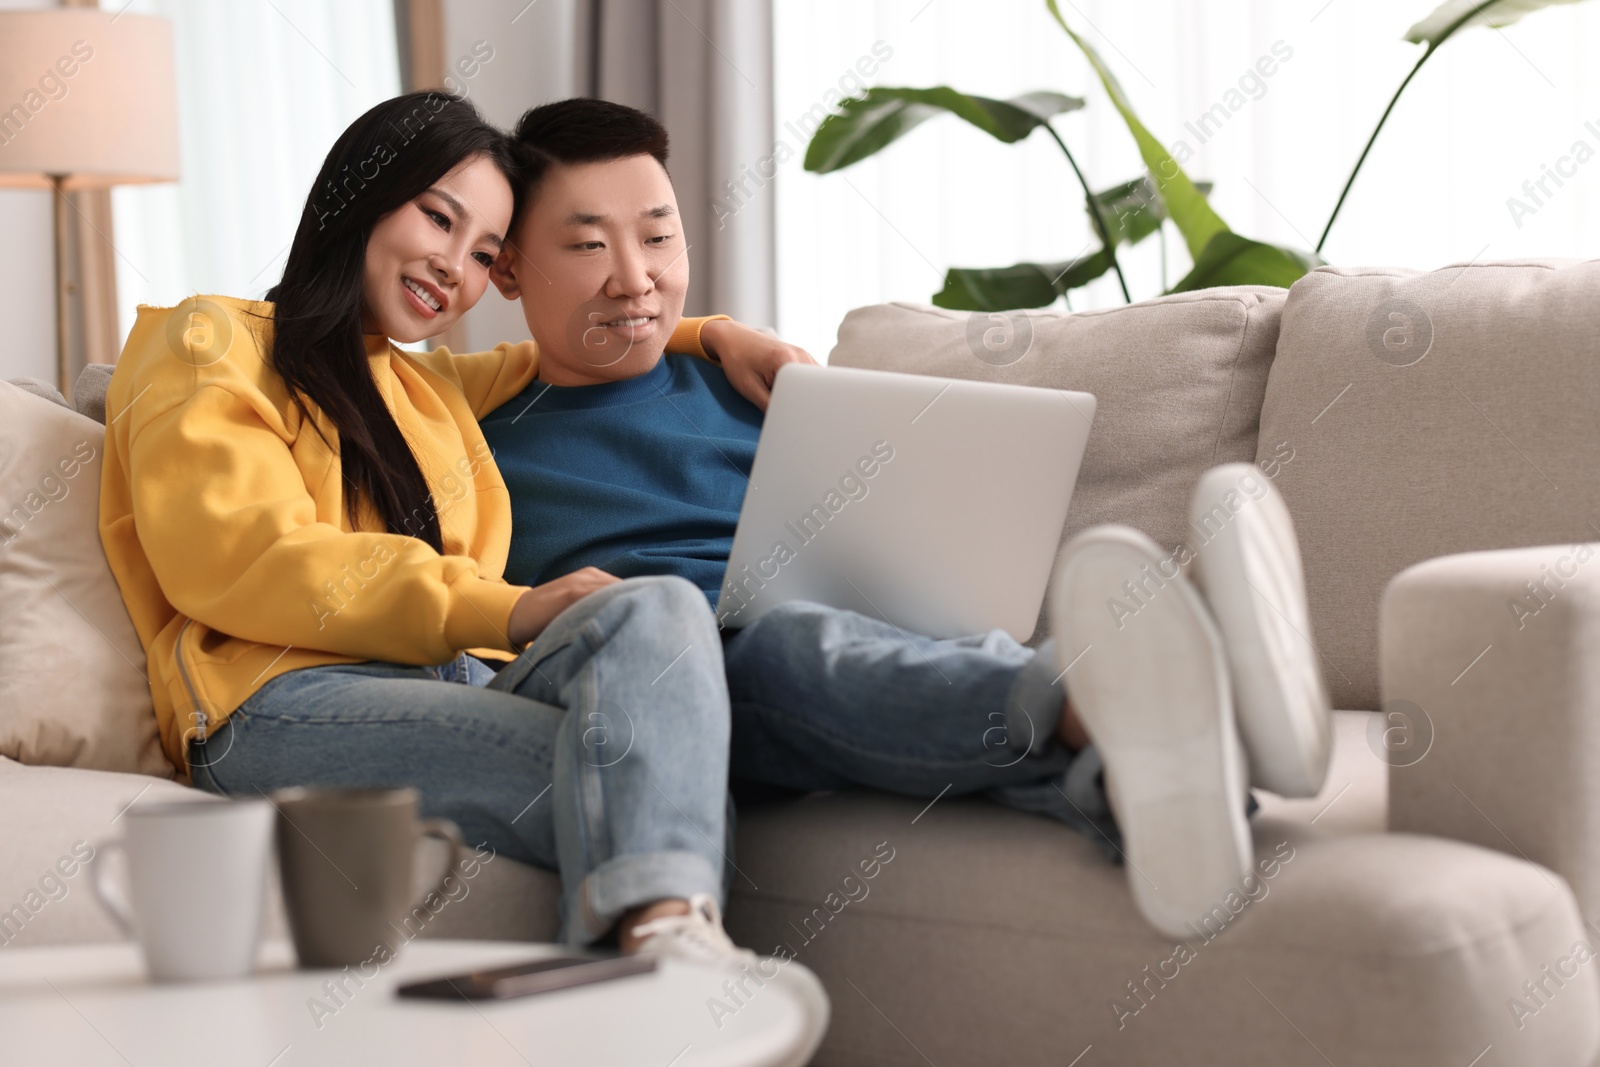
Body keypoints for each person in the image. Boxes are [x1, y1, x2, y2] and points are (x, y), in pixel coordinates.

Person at [481, 97, 1334, 941]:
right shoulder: (463, 437)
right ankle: (1136, 687)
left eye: (660, 236)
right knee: (789, 649)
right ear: (508, 268)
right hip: (667, 680)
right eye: (589, 244)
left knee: (890, 648)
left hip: (840, 636)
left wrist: (720, 338)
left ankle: (1162, 771)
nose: (635, 277)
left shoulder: (756, 385)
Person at [97, 90, 831, 1045]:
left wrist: (718, 332)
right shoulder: (214, 342)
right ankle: (663, 983)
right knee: (645, 772)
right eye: (438, 218)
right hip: (274, 700)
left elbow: (580, 345)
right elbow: (245, 558)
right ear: (358, 194)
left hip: (445, 683)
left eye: (485, 251)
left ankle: (652, 954)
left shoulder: (423, 384)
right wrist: (511, 608)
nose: (456, 265)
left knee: (655, 614)